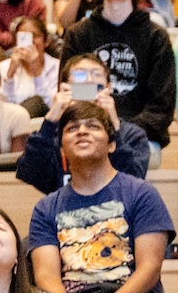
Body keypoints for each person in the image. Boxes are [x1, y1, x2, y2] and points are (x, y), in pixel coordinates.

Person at [25, 102, 174, 293]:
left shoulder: (140, 193)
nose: (82, 131)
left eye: (92, 126)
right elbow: (45, 275)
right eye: (72, 128)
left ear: (112, 144)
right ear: (61, 149)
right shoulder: (46, 208)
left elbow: (150, 268)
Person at [59, 0, 176, 159]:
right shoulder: (79, 35)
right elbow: (69, 92)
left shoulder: (155, 36)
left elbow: (160, 107)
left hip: (138, 136)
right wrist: (99, 121)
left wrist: (118, 125)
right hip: (87, 131)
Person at [17, 54, 152, 196]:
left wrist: (114, 126)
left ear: (108, 87)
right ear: (65, 86)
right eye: (80, 74)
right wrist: (51, 120)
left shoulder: (131, 134)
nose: (88, 80)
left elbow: (134, 179)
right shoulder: (54, 133)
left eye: (96, 74)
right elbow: (30, 173)